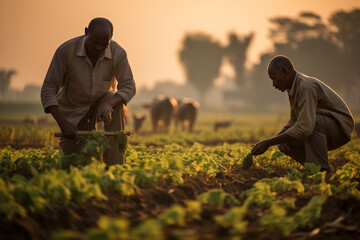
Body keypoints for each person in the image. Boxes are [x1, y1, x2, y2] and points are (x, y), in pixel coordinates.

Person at [41, 17, 136, 165]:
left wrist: (109, 103)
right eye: (95, 43)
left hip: (101, 105)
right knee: (74, 161)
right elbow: (48, 88)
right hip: (73, 112)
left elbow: (129, 86)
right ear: (86, 32)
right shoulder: (66, 51)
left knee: (117, 104)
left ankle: (115, 166)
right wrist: (62, 123)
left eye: (104, 45)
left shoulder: (118, 53)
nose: (98, 48)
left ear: (111, 39)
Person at [251, 55, 354, 179]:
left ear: (285, 71)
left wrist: (268, 142)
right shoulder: (293, 88)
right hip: (326, 128)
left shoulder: (305, 86)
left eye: (275, 78)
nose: (274, 84)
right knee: (284, 143)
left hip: (340, 128)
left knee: (311, 123)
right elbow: (295, 120)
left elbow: (305, 126)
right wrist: (274, 140)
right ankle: (314, 169)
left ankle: (323, 171)